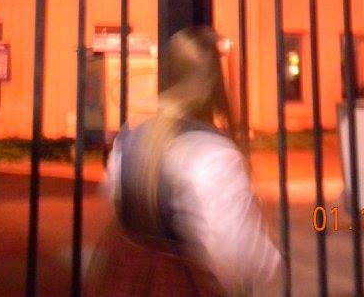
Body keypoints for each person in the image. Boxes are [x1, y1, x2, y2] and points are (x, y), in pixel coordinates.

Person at [85, 26, 285, 296]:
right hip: (181, 286)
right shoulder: (212, 154)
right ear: (214, 83)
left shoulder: (131, 137)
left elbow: (112, 198)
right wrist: (272, 259)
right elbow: (236, 250)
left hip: (123, 280)